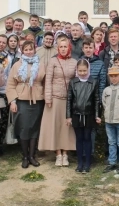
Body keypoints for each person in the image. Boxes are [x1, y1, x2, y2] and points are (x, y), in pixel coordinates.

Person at [38, 37, 77, 166]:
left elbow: (76, 82)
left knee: (66, 129)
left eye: (65, 46)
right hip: (54, 98)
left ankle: (65, 153)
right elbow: (48, 80)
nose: (63, 49)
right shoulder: (53, 61)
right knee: (54, 127)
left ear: (69, 48)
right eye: (61, 47)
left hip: (68, 100)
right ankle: (58, 154)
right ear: (58, 48)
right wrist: (48, 98)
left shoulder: (74, 62)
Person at [7, 41, 45, 169]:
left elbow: (45, 82)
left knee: (34, 128)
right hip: (22, 99)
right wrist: (13, 101)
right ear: (22, 51)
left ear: (34, 50)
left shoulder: (41, 64)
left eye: (31, 49)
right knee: (24, 128)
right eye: (26, 49)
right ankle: (24, 156)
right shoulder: (17, 65)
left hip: (37, 99)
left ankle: (32, 156)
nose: (29, 51)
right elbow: (11, 85)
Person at [66, 59, 100, 173]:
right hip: (76, 115)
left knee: (87, 138)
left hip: (89, 115)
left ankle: (87, 163)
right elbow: (69, 99)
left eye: (84, 70)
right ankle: (80, 162)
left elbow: (96, 100)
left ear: (88, 69)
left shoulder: (93, 82)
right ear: (77, 70)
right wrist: (68, 116)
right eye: (80, 71)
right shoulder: (73, 82)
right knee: (79, 139)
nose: (82, 73)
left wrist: (97, 115)